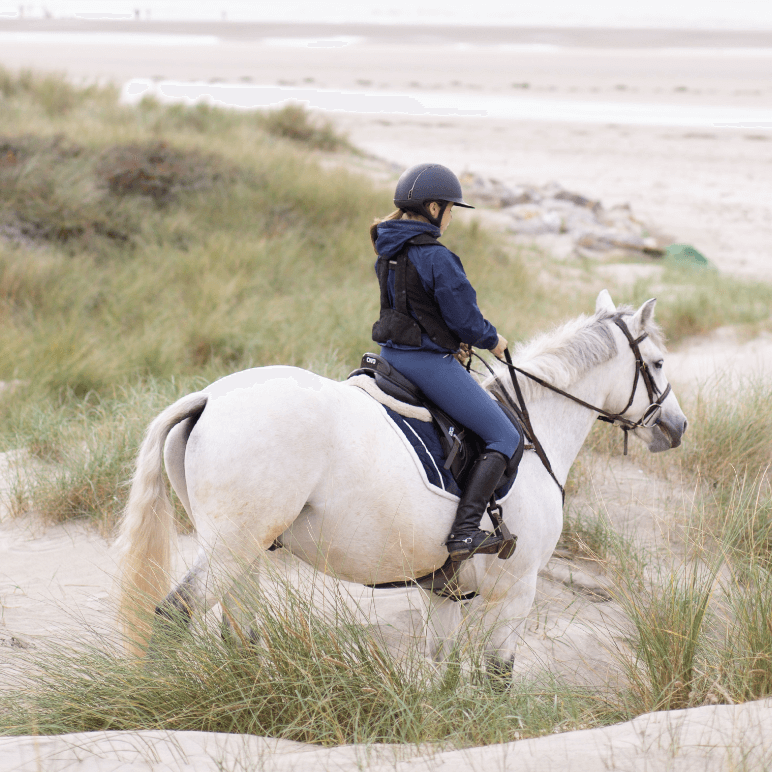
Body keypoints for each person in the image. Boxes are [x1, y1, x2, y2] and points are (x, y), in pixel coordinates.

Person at [370, 163, 521, 561]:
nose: (452, 216)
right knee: (506, 437)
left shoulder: (388, 250)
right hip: (426, 363)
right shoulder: (436, 256)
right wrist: (494, 340)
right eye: (451, 208)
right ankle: (466, 532)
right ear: (434, 208)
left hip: (391, 357)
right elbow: (465, 321)